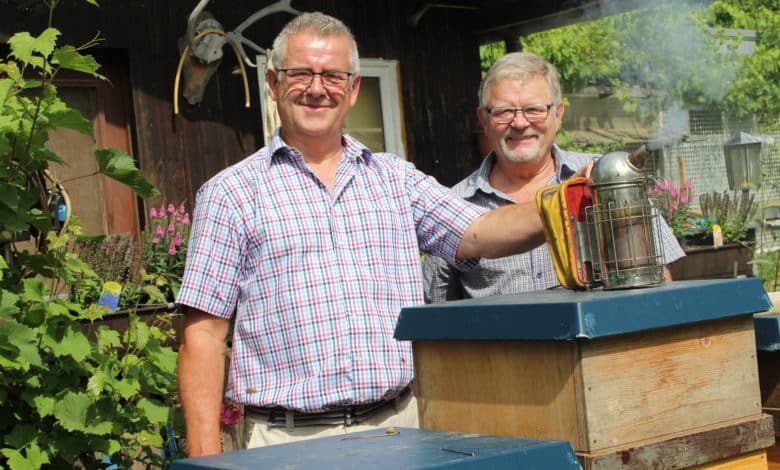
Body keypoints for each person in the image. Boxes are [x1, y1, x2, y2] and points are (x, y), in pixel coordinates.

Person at [176, 14, 568, 457]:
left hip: (400, 429)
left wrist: (569, 199)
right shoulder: (231, 193)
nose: (317, 88)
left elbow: (480, 231)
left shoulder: (394, 179)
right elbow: (203, 338)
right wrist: (205, 459)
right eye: (300, 73)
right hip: (286, 444)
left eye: (333, 76)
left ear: (354, 88)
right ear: (272, 81)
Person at [423, 52, 685, 302]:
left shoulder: (604, 176)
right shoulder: (451, 205)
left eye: (534, 109)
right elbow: (439, 309)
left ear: (558, 114)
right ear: (483, 119)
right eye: (504, 111)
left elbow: (660, 276)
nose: (520, 123)